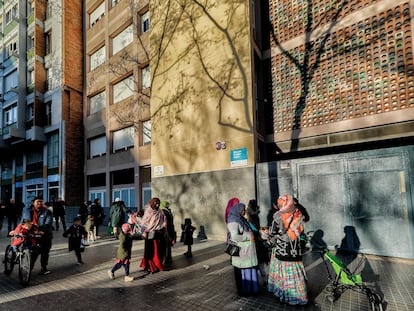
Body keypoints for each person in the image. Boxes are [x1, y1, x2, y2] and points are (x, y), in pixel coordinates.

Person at [267, 194, 308, 305]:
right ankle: (299, 297)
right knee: (295, 273)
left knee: (284, 275)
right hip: (295, 249)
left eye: (280, 204)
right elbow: (301, 230)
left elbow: (272, 233)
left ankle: (285, 296)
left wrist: (270, 236)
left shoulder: (278, 216)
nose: (279, 206)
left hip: (283, 249)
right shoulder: (298, 214)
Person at [227, 202, 259, 297]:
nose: (245, 211)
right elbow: (235, 237)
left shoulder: (241, 219)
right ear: (238, 210)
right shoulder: (233, 221)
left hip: (247, 253)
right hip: (242, 253)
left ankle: (251, 289)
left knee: (249, 270)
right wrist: (248, 236)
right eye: (243, 209)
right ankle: (245, 290)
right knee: (243, 271)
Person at [23, 196, 54, 275]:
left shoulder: (47, 212)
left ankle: (44, 268)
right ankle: (29, 268)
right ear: (33, 203)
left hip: (45, 236)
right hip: (32, 235)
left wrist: (42, 231)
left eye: (41, 201)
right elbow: (25, 221)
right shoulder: (28, 211)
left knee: (45, 253)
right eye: (38, 202)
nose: (40, 203)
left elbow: (48, 223)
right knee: (33, 253)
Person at [139, 198, 166, 274]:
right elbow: (144, 222)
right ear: (152, 203)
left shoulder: (160, 211)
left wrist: (164, 225)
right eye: (156, 203)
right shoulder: (149, 211)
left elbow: (164, 219)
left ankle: (157, 266)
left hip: (158, 234)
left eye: (158, 203)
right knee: (150, 251)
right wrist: (143, 231)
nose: (157, 205)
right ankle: (149, 266)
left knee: (158, 251)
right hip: (150, 234)